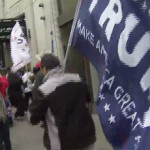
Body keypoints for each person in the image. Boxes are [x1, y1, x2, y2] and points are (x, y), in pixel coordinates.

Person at [30, 54, 96, 150]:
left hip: (62, 142)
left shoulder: (44, 90)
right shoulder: (78, 79)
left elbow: (33, 117)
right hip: (86, 136)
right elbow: (89, 99)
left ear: (44, 69)